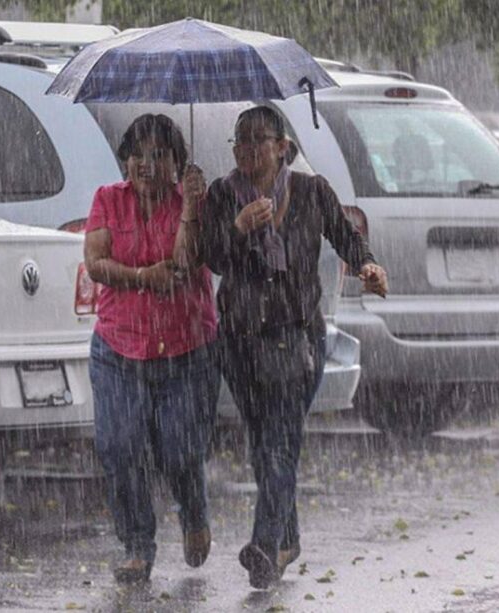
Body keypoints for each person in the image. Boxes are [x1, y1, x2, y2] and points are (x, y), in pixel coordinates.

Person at [174, 106, 388, 589]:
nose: (247, 149)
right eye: (239, 141)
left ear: (282, 147)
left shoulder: (312, 191)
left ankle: (265, 545)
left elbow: (347, 239)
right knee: (267, 442)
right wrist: (239, 227)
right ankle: (288, 538)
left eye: (257, 139)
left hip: (297, 336)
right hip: (241, 340)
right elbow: (211, 260)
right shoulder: (224, 195)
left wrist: (369, 267)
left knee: (279, 441)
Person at [84, 114, 219, 584]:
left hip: (186, 348)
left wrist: (190, 210)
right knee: (120, 448)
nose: (147, 163)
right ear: (125, 161)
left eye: (160, 154)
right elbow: (96, 264)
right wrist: (142, 278)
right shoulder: (107, 200)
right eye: (138, 153)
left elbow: (185, 263)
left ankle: (194, 512)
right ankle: (138, 544)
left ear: (178, 163)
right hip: (119, 348)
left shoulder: (194, 203)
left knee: (180, 451)